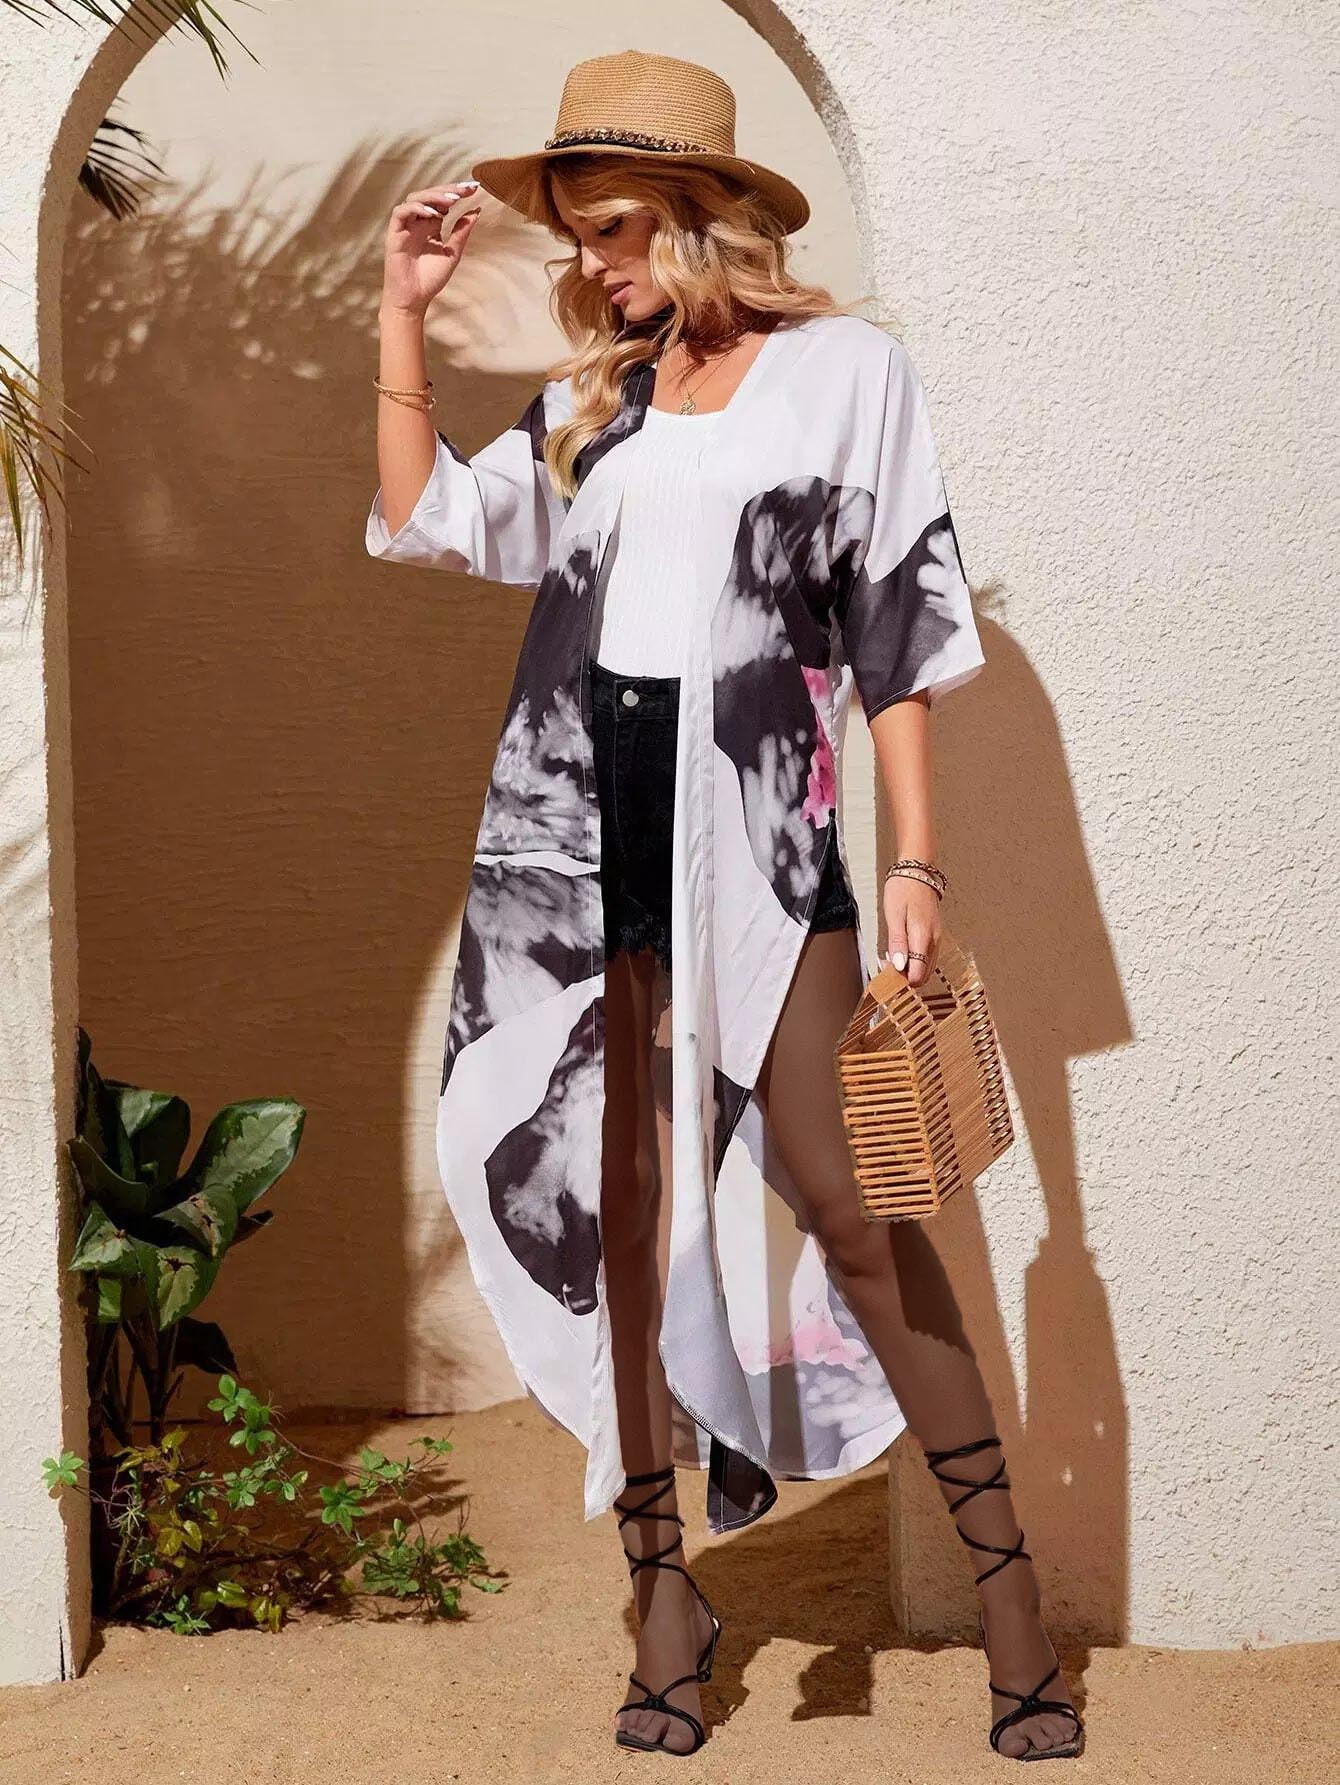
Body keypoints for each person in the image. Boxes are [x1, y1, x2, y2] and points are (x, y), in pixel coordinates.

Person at [366, 46, 1084, 1766]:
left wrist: (912, 862)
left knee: (857, 1208)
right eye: (578, 233)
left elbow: (900, 624)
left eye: (614, 226)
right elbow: (423, 516)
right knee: (625, 1227)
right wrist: (401, 311)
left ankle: (1013, 1603)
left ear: (698, 217)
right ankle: (662, 1600)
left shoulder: (847, 375)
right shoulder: (596, 397)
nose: (591, 261)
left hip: (760, 842)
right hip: (589, 833)